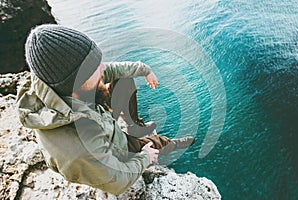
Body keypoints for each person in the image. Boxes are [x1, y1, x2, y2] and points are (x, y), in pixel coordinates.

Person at [17, 24, 194, 195]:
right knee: (153, 144)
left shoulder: (59, 87)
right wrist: (145, 157)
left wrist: (144, 69)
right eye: (94, 67)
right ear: (77, 82)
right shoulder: (80, 145)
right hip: (113, 152)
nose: (103, 67)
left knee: (123, 79)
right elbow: (118, 181)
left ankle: (134, 125)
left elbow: (109, 70)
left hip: (99, 119)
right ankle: (171, 143)